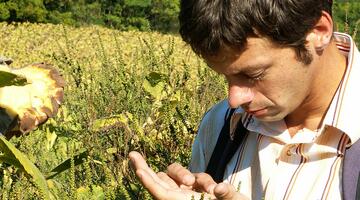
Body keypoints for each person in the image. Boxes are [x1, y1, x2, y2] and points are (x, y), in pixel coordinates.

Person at [129, 0, 360, 199]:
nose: (234, 99)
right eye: (224, 76)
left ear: (319, 31)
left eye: (253, 75)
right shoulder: (221, 125)